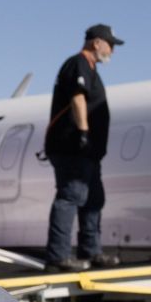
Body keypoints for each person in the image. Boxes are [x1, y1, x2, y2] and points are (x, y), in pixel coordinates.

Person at [43, 24, 123, 273]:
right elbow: (78, 98)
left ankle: (91, 250)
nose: (112, 50)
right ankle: (58, 255)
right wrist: (84, 132)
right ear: (96, 42)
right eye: (110, 44)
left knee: (94, 199)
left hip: (89, 152)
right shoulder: (77, 64)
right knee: (71, 196)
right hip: (72, 147)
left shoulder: (91, 69)